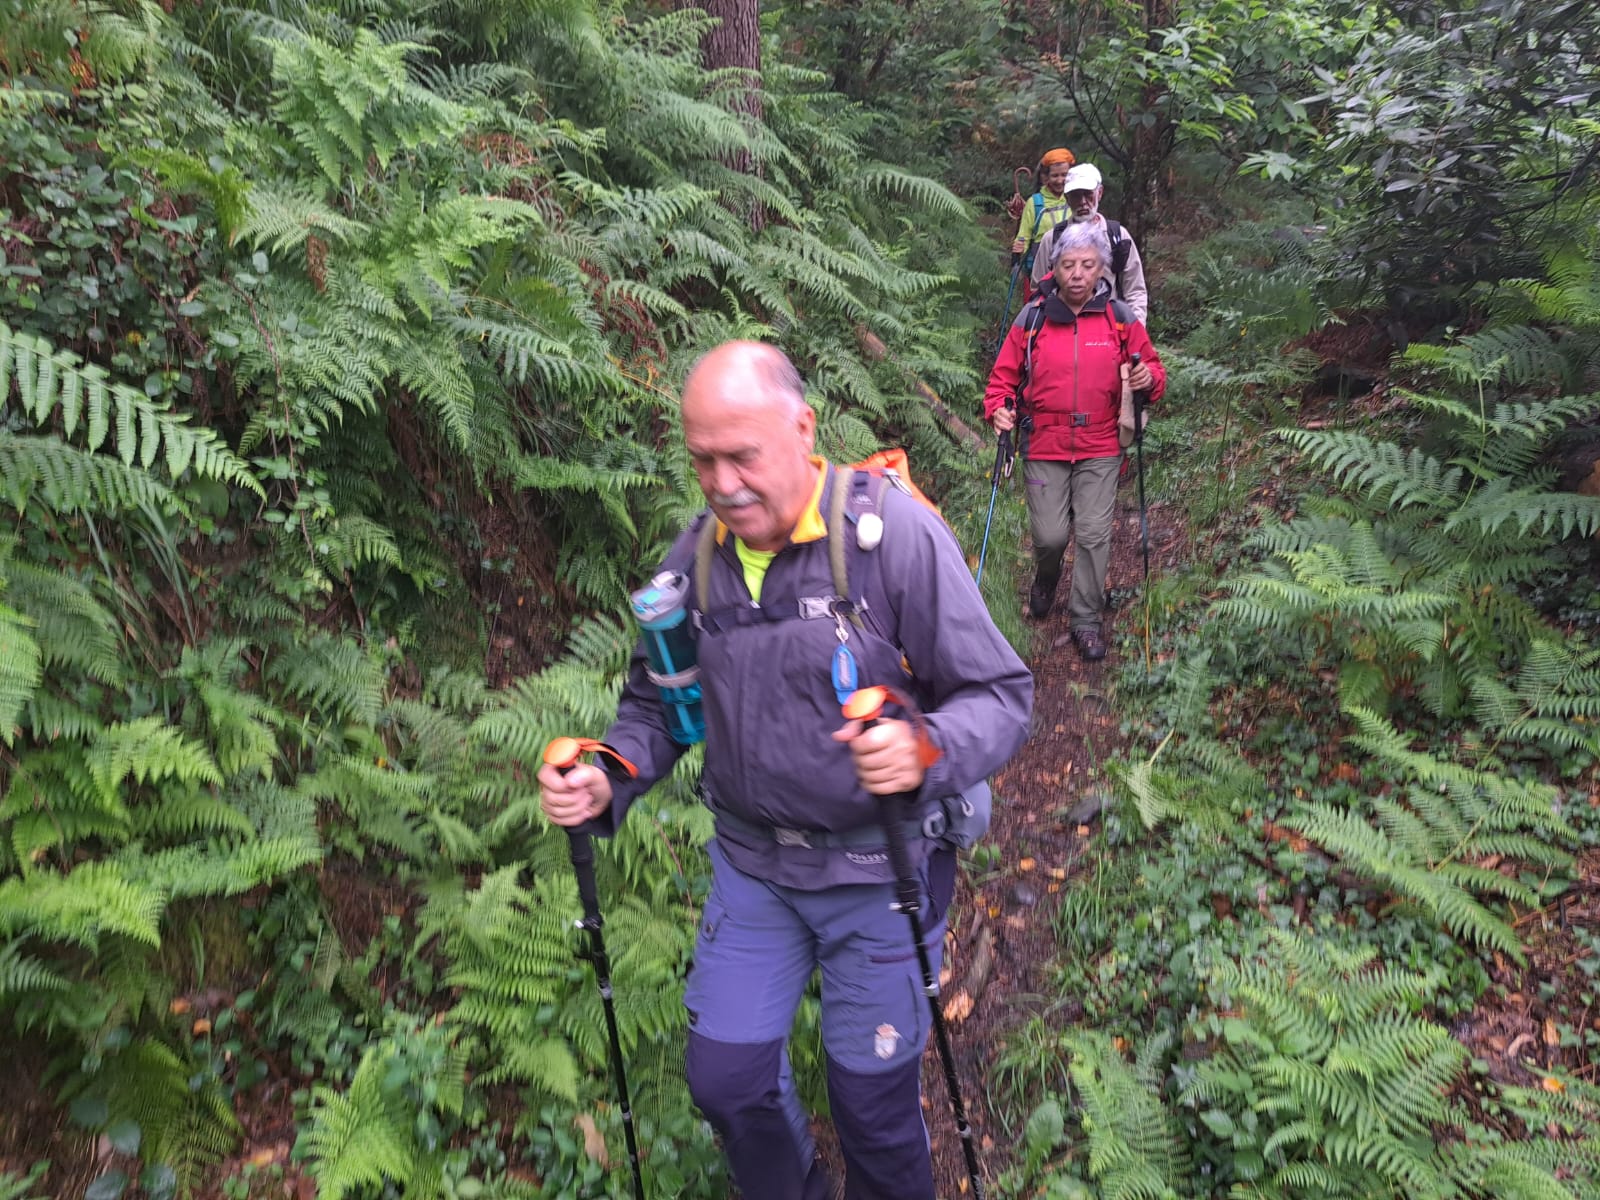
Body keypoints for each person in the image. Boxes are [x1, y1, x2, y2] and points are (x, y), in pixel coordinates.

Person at [539, 341, 1033, 1200]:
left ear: (803, 430)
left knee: (873, 1109)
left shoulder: (891, 540)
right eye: (703, 460)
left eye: (743, 456)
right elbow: (658, 706)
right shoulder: (696, 560)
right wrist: (607, 777)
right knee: (726, 1082)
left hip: (881, 866)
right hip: (755, 868)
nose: (722, 483)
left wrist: (923, 749)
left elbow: (999, 694)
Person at [984, 222, 1166, 659]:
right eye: (1069, 265)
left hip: (1101, 442)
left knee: (1094, 532)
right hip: (1043, 441)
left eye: (1087, 264)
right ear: (1055, 267)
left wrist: (1147, 379)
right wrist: (999, 409)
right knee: (1049, 536)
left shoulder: (1119, 318)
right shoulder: (1033, 318)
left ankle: (1086, 619)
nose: (1078, 274)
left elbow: (1154, 374)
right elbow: (1002, 379)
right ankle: (1046, 579)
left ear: (1102, 268)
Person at [1032, 162, 1150, 323]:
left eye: (1088, 194)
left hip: (1110, 330)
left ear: (1099, 193)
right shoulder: (1052, 239)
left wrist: (1134, 330)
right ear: (1067, 199)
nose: (1082, 202)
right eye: (1075, 195)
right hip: (1061, 327)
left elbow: (1135, 291)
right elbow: (1038, 289)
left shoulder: (1118, 236)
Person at [1009, 147, 1075, 279]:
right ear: (1045, 177)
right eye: (1055, 175)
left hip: (1072, 265)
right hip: (1040, 268)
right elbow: (1024, 236)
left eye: (1064, 175)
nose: (1060, 180)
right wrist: (1019, 250)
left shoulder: (1075, 199)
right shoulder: (1034, 203)